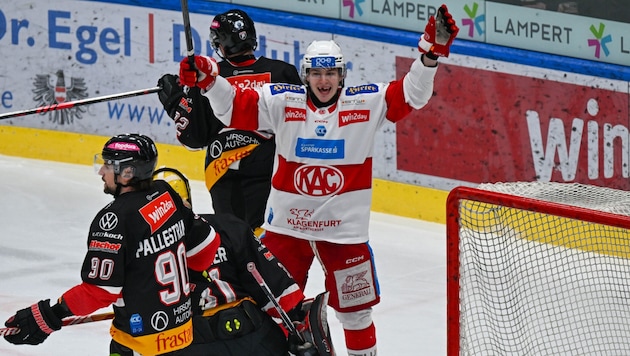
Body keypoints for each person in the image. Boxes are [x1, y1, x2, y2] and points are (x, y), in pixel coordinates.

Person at [176, 4, 459, 355]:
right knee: (270, 307)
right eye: (316, 73)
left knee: (356, 314)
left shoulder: (367, 103)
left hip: (343, 233)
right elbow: (234, 108)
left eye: (331, 73)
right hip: (286, 231)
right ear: (305, 75)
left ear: (342, 76)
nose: (323, 81)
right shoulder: (282, 100)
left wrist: (429, 56)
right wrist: (210, 80)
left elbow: (412, 94)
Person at [3, 133, 221, 355]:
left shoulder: (114, 220)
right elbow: (208, 246)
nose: (101, 171)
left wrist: (50, 315)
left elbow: (99, 292)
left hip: (140, 344)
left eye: (108, 164)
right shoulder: (165, 193)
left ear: (127, 172)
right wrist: (187, 287)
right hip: (183, 335)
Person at [152, 167, 334, 356]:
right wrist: (300, 326)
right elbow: (277, 289)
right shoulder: (228, 227)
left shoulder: (136, 249)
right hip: (248, 338)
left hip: (181, 343)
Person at [158, 8, 303, 237]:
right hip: (273, 169)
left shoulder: (209, 79)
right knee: (268, 240)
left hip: (225, 170)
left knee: (236, 242)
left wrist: (176, 101)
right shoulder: (283, 72)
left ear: (220, 43)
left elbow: (194, 138)